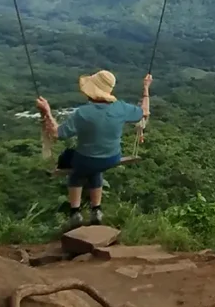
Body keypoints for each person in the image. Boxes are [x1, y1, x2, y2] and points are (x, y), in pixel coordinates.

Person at [36, 70, 152, 228]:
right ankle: (96, 210)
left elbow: (57, 133)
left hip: (85, 160)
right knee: (96, 169)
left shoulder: (83, 113)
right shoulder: (121, 108)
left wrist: (47, 112)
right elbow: (145, 112)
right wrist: (146, 88)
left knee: (75, 171)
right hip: (111, 158)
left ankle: (75, 213)